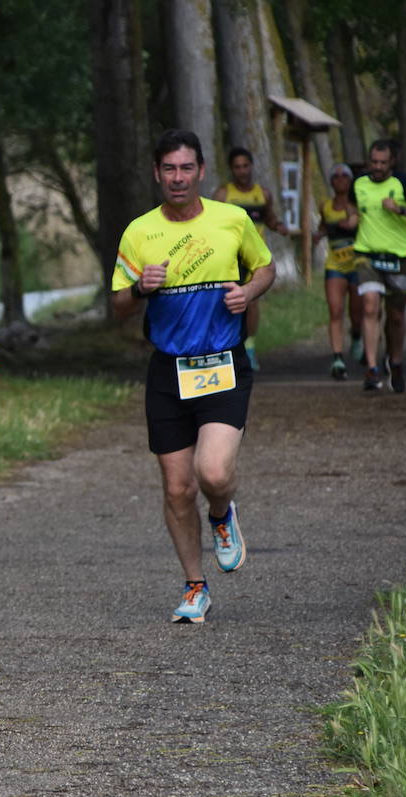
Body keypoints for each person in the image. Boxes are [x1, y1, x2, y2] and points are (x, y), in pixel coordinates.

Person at [112, 129, 275, 624]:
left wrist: (247, 295)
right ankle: (194, 586)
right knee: (177, 488)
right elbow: (117, 307)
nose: (178, 178)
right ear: (157, 174)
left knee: (213, 473)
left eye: (186, 168)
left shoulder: (232, 219)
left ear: (201, 171)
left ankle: (222, 514)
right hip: (168, 371)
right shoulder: (139, 232)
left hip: (223, 364)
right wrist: (140, 287)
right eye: (169, 169)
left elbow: (265, 269)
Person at [353, 138, 406, 392]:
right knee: (370, 305)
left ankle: (395, 361)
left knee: (396, 316)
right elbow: (354, 210)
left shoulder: (405, 183)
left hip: (398, 257)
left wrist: (400, 210)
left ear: (392, 162)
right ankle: (372, 368)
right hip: (366, 254)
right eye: (373, 162)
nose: (377, 167)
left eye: (382, 163)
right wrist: (351, 220)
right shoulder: (359, 183)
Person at [214, 147, 291, 371]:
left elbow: (269, 217)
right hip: (230, 256)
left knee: (252, 301)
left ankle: (249, 347)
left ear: (252, 166)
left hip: (254, 257)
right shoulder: (223, 195)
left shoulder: (263, 194)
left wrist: (278, 226)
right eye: (237, 167)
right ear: (231, 169)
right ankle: (225, 347)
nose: (242, 171)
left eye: (245, 166)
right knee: (226, 301)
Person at [312, 163, 364, 378]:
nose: (340, 179)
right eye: (336, 176)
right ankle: (338, 358)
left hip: (357, 263)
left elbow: (352, 225)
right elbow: (324, 226)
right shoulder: (325, 206)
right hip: (335, 264)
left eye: (345, 176)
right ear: (331, 181)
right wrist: (319, 235)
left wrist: (351, 217)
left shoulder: (358, 204)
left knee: (357, 312)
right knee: (335, 310)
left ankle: (357, 335)